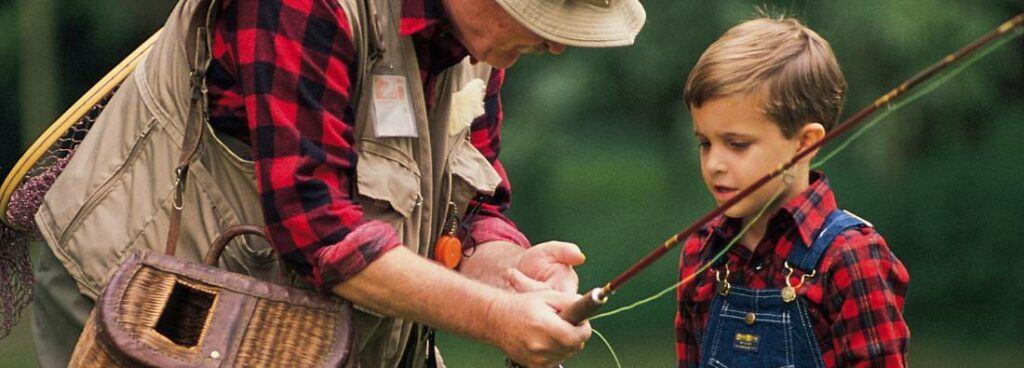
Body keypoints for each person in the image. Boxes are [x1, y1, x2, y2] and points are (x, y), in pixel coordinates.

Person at [30, 0, 645, 367]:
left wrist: (516, 273)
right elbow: (315, 228)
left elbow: (467, 211)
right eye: (554, 11)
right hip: (150, 304)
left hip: (298, 314)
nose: (561, 44)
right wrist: (496, 317)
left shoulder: (482, 36)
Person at [675, 16, 910, 367]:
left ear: (804, 143)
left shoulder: (850, 258)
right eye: (705, 143)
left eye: (736, 144)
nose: (714, 164)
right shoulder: (701, 253)